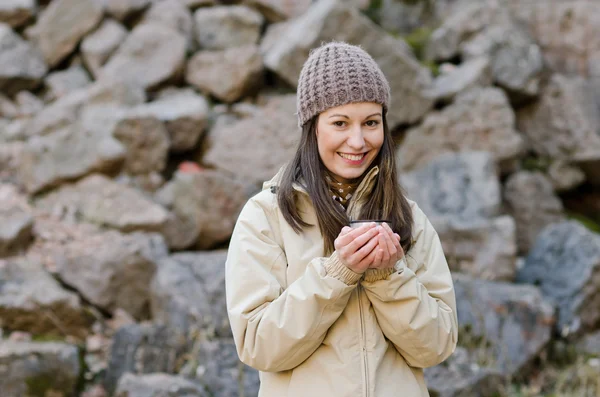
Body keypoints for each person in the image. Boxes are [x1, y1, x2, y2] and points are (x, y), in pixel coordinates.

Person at [225, 41, 458, 396]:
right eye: (340, 122)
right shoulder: (266, 215)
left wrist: (387, 276)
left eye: (371, 122)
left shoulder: (409, 217)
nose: (358, 140)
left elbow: (437, 346)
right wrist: (337, 274)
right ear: (312, 127)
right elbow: (258, 346)